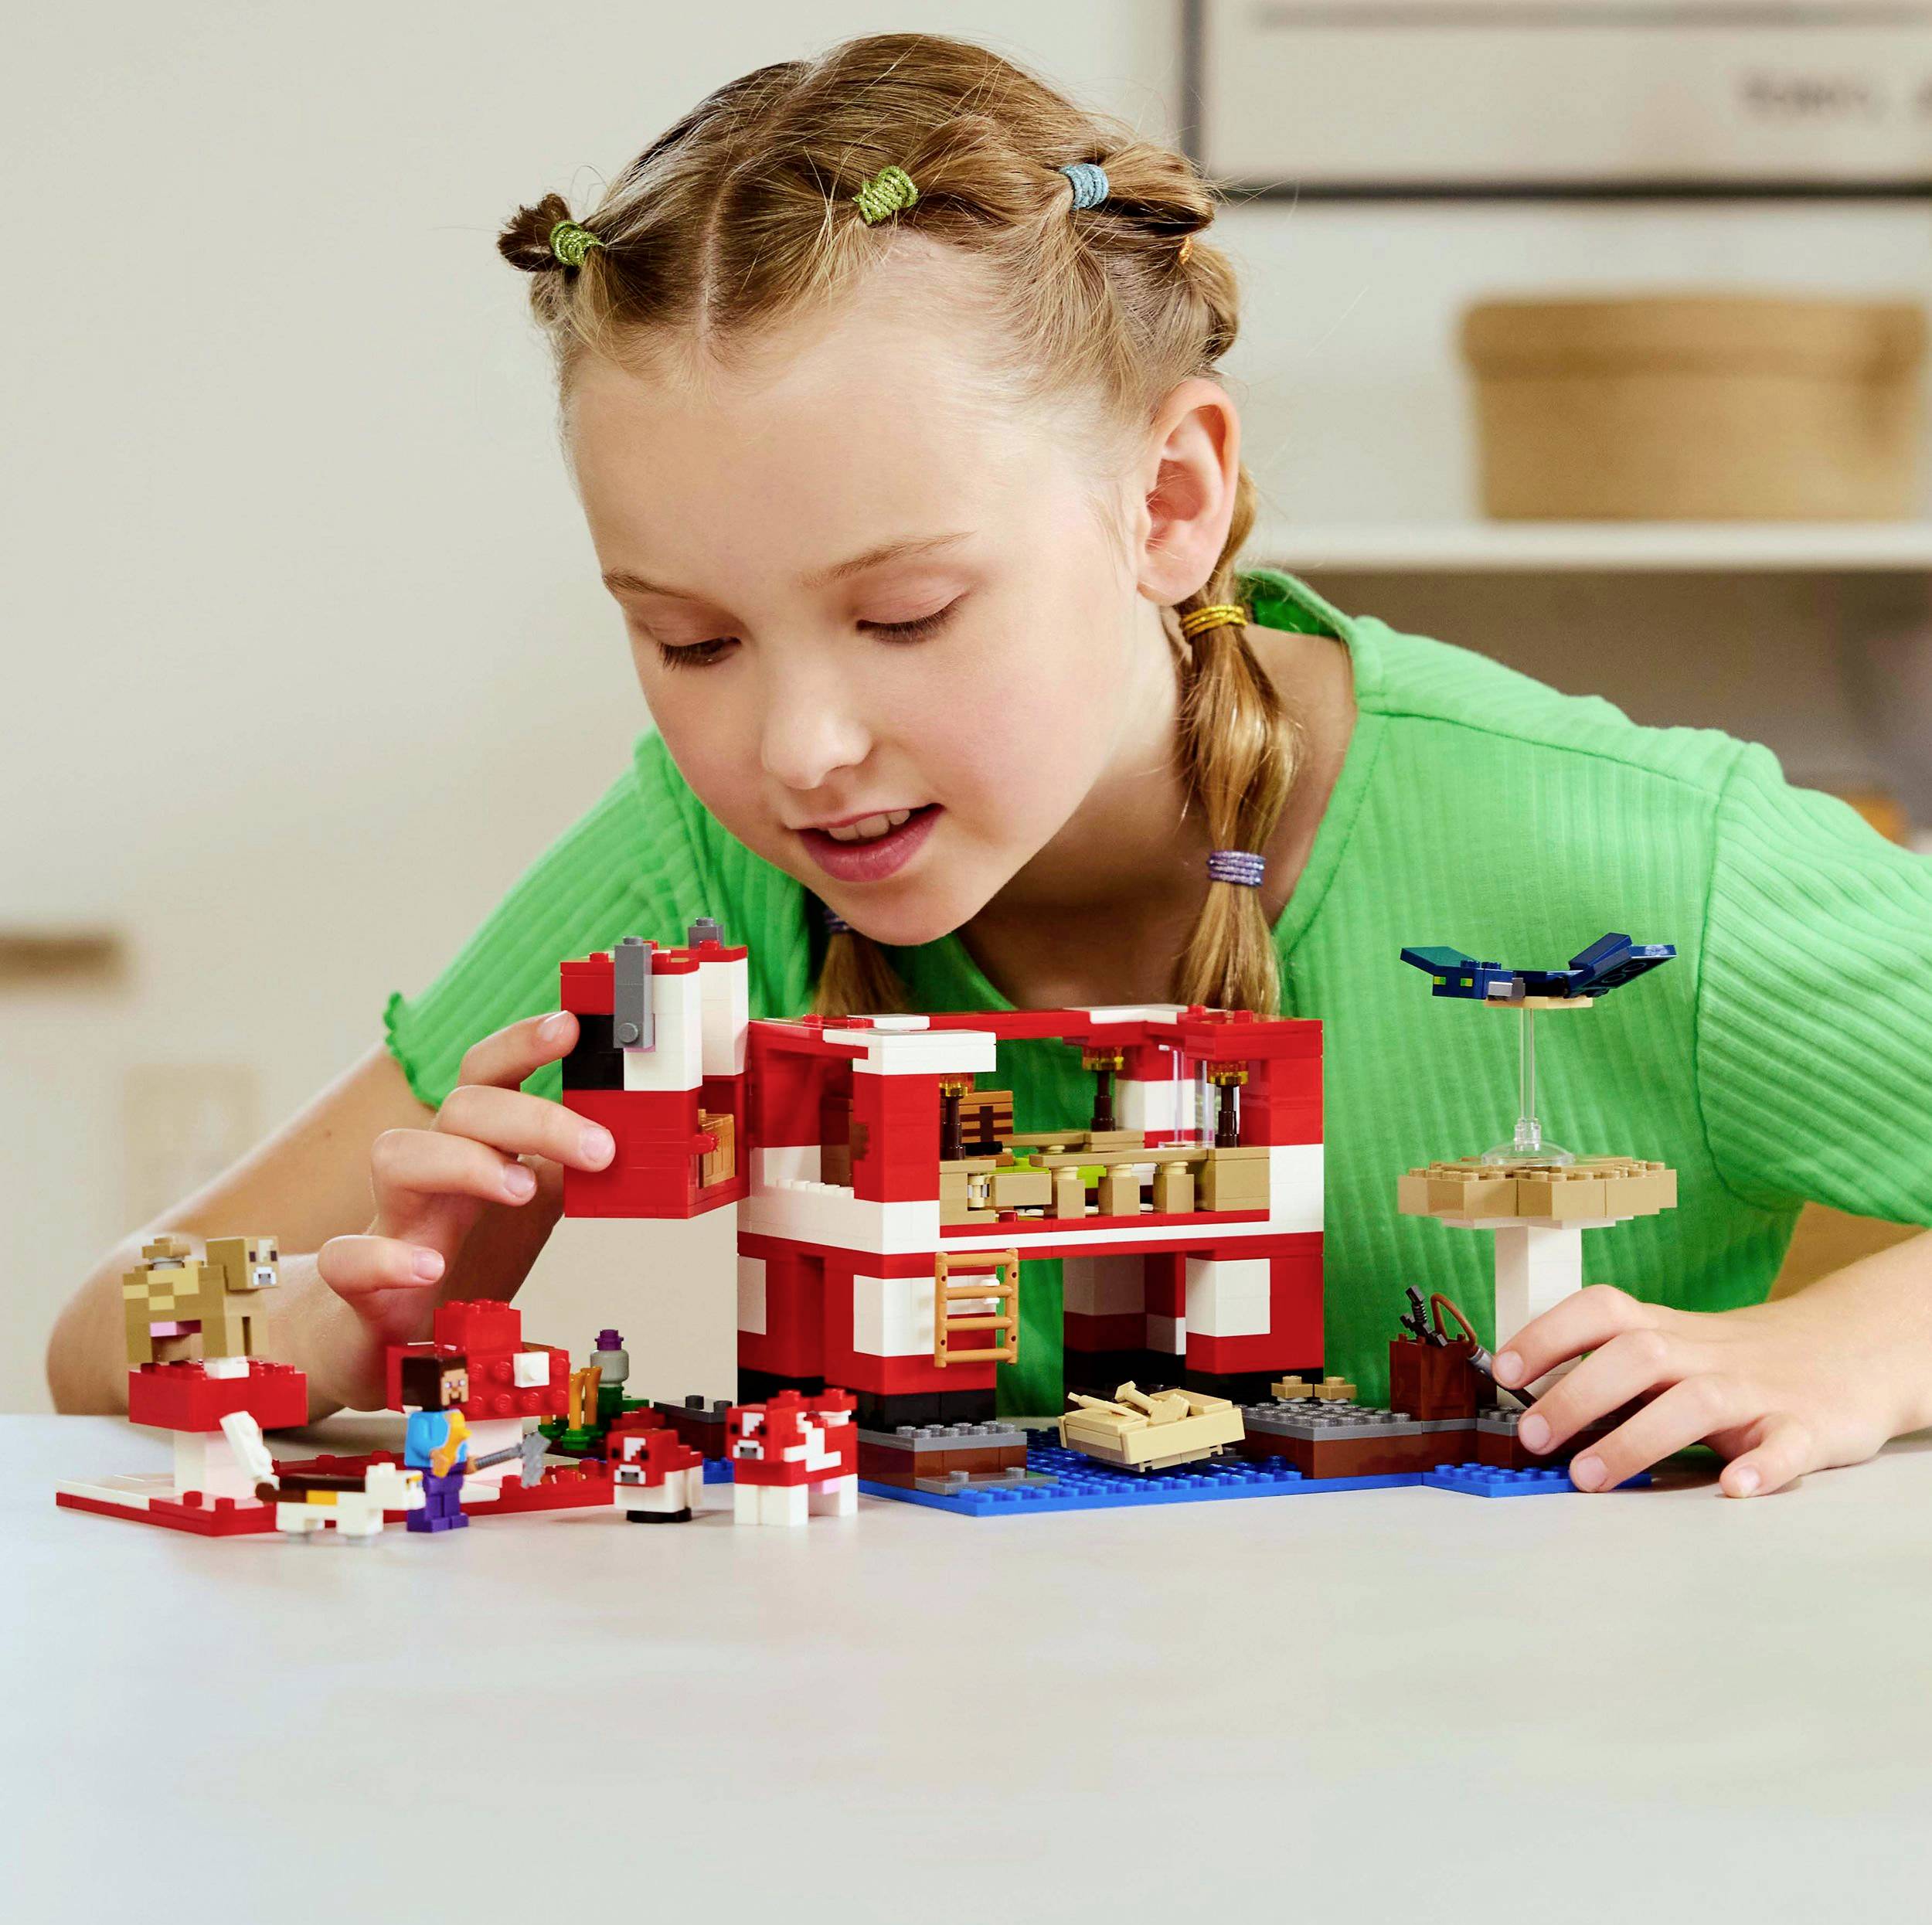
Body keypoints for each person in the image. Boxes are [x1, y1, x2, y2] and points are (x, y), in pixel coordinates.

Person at [46, 32, 1932, 1499]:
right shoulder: (694, 874)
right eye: (686, 639)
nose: (790, 748)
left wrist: (1853, 1348)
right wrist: (323, 1322)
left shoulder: (1619, 851)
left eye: (905, 614)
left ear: (1168, 500)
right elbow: (97, 1334)